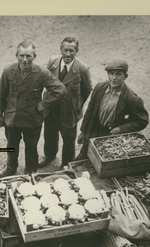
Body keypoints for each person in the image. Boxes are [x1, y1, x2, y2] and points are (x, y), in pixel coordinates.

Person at [0, 41, 66, 179]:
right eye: (21, 56)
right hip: (12, 118)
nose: (25, 60)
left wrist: (44, 104)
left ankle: (31, 171)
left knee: (31, 147)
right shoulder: (8, 71)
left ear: (34, 56)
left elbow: (60, 89)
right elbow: (1, 92)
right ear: (16, 55)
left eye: (28, 56)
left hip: (32, 119)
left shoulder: (41, 73)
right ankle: (10, 168)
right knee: (11, 146)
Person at [75, 59, 149, 160]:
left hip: (111, 136)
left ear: (125, 77)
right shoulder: (99, 87)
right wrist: (84, 131)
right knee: (82, 159)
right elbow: (90, 110)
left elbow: (142, 120)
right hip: (94, 130)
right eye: (111, 74)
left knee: (103, 162)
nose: (114, 78)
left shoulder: (132, 99)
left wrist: (121, 129)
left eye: (118, 74)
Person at [38, 37, 92, 169]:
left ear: (77, 51)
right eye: (65, 50)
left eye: (71, 50)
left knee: (68, 138)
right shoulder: (53, 61)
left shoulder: (82, 68)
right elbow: (44, 80)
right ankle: (49, 155)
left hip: (69, 110)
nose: (68, 54)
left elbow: (87, 89)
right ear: (60, 50)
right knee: (49, 134)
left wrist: (77, 104)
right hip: (51, 107)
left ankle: (67, 164)